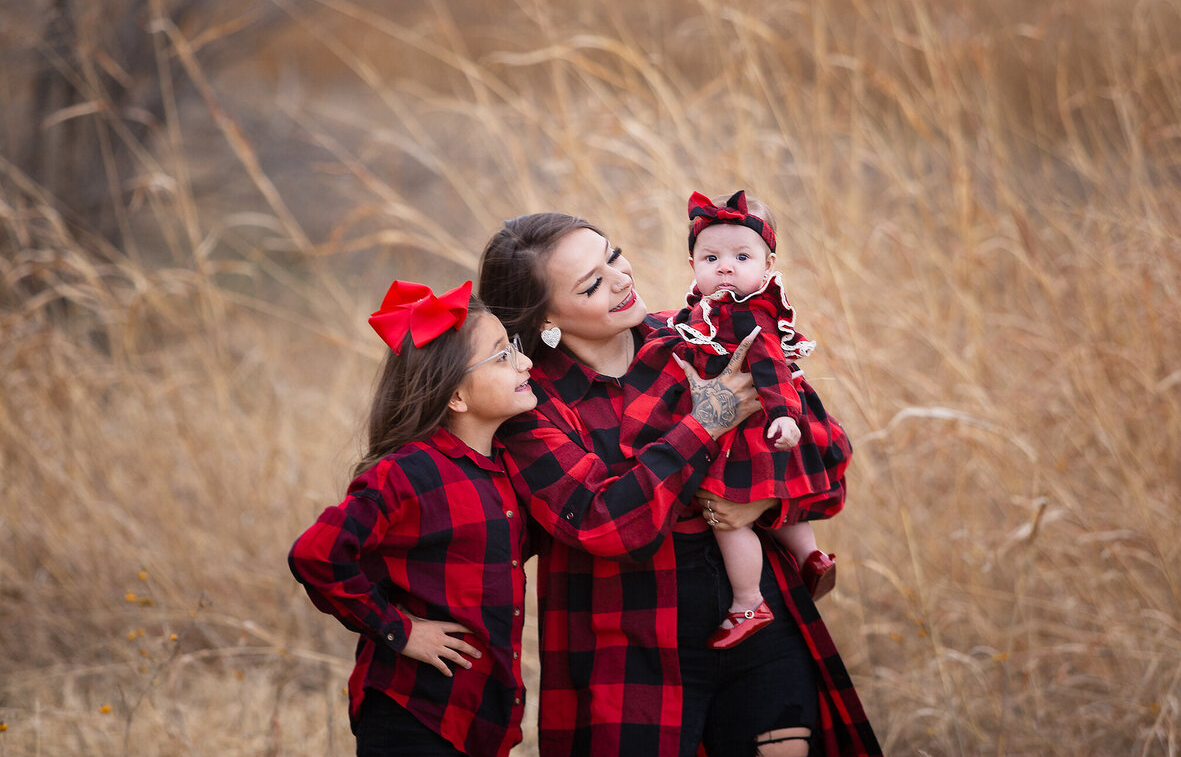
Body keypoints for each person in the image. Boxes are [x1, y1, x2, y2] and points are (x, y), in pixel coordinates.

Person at [479, 215, 881, 757]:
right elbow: (607, 523)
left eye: (613, 255)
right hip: (626, 649)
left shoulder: (700, 339)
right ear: (546, 317)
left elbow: (828, 459)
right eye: (591, 284)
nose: (621, 279)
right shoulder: (531, 405)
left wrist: (763, 501)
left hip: (759, 623)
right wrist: (707, 424)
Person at [288, 280, 537, 757]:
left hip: (479, 710)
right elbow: (317, 554)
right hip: (413, 714)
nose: (524, 363)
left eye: (516, 348)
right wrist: (400, 631)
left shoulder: (505, 468)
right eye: (503, 355)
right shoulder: (407, 472)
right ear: (457, 397)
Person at [620, 189, 851, 650]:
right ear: (693, 267)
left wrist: (785, 416)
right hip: (753, 429)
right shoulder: (707, 314)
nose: (725, 266)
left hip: (751, 433)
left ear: (768, 268)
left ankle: (748, 602)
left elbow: (773, 371)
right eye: (711, 257)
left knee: (730, 521)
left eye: (741, 256)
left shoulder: (749, 318)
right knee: (773, 494)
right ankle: (811, 556)